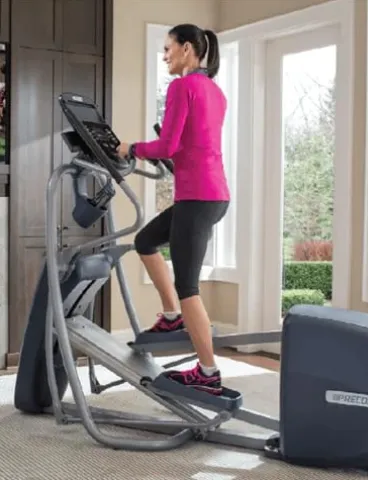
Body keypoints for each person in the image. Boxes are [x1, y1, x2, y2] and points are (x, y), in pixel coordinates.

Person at [117, 24, 230, 396]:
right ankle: (170, 317)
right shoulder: (215, 91)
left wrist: (132, 148)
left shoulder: (182, 87)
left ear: (187, 48)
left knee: (188, 287)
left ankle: (208, 373)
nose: (164, 55)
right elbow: (191, 145)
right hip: (212, 194)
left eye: (168, 48)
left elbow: (167, 145)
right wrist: (167, 156)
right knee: (146, 240)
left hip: (197, 198)